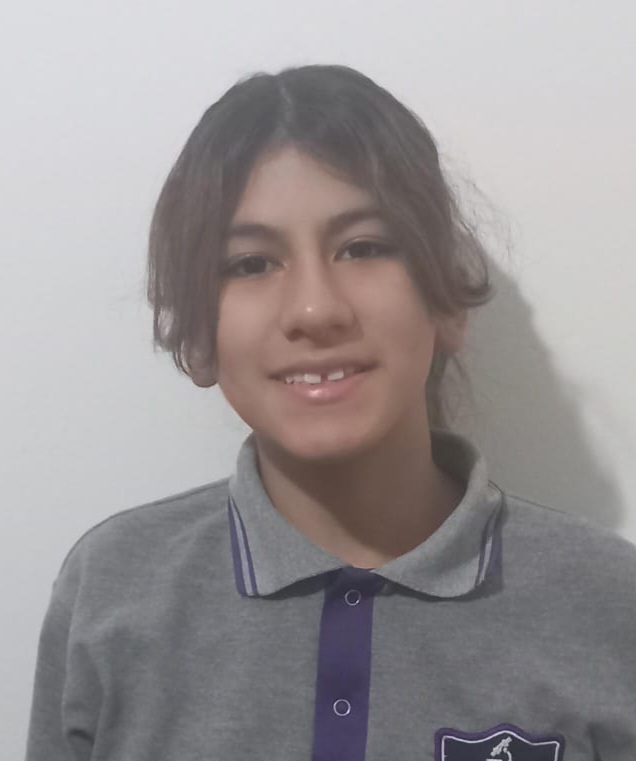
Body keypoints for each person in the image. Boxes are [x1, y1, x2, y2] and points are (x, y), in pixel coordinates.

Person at [25, 64, 636, 761]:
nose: (315, 309)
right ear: (199, 333)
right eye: (251, 263)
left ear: (445, 301)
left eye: (363, 248)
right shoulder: (112, 589)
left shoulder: (607, 598)